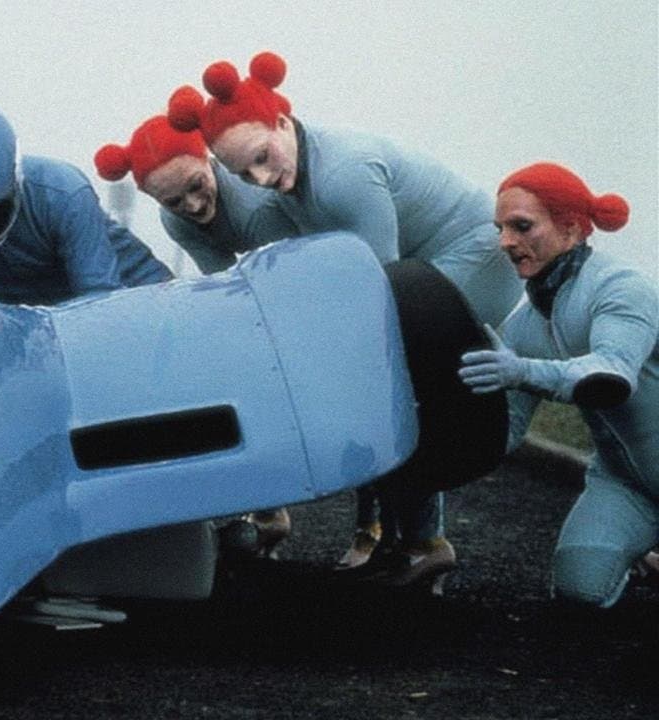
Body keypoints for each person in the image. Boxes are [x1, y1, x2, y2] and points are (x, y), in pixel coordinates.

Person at [168, 51, 524, 588]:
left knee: (396, 375)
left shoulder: (343, 173)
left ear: (283, 122)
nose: (261, 177)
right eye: (244, 173)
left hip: (473, 255)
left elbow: (382, 295)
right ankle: (401, 540)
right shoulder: (288, 180)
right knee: (378, 382)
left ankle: (422, 543)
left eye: (262, 157)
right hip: (417, 269)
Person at [94, 114, 299, 557]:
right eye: (172, 201)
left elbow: (292, 268)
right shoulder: (178, 223)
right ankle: (267, 508)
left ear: (208, 159)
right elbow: (228, 290)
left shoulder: (256, 192)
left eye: (195, 185)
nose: (189, 204)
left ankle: (386, 528)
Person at [459, 162, 657, 608]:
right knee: (580, 589)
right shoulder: (524, 324)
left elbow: (611, 376)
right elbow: (506, 431)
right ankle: (640, 552)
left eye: (522, 226)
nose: (505, 242)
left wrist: (523, 372)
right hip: (625, 481)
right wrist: (433, 439)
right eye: (500, 229)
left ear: (570, 229)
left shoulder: (621, 288)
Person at [0, 100, 172, 306]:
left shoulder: (62, 194)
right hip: (24, 312)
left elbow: (100, 300)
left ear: (16, 183)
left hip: (130, 294)